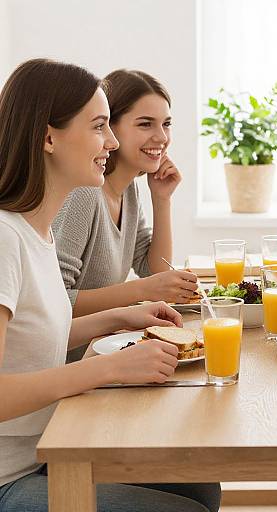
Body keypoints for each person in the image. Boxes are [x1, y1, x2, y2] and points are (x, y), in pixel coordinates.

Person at [0, 58, 220, 512]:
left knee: (200, 486)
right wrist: (108, 368)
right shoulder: (5, 238)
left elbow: (34, 336)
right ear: (47, 137)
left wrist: (121, 316)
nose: (113, 143)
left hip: (47, 445)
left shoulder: (36, 232)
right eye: (101, 126)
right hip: (10, 474)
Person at [53, 69, 198, 319]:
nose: (161, 137)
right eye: (145, 124)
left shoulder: (128, 189)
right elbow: (55, 300)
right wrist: (141, 290)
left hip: (108, 341)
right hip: (78, 354)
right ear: (110, 127)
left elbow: (153, 271)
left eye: (166, 124)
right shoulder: (84, 193)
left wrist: (161, 199)